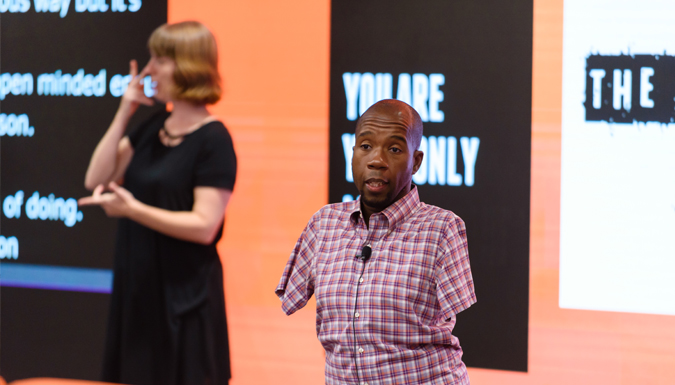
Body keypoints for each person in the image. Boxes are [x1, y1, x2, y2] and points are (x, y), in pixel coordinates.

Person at [276, 99, 476, 384]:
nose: (376, 160)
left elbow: (454, 317)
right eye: (366, 146)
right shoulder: (324, 224)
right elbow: (291, 299)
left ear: (416, 161)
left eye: (394, 149)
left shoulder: (442, 228)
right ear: (353, 153)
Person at [79, 21, 236, 385]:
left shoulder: (215, 140)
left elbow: (204, 226)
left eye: (160, 60)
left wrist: (134, 211)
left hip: (186, 300)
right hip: (140, 294)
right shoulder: (152, 127)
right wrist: (124, 112)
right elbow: (96, 179)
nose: (149, 69)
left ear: (188, 66)